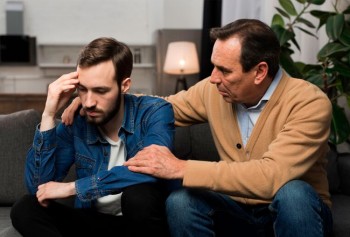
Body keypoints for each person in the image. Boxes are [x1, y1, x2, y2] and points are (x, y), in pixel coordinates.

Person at [62, 19, 333, 237]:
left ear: (260, 72)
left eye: (225, 70)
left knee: (293, 192)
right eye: (213, 67)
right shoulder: (213, 91)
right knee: (181, 201)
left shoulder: (308, 102)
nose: (213, 78)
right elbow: (159, 108)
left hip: (296, 212)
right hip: (238, 210)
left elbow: (271, 176)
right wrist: (96, 100)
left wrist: (181, 167)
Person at [10, 37, 175, 237]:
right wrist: (49, 114)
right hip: (93, 222)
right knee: (25, 207)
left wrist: (74, 188)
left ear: (124, 86)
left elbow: (153, 168)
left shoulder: (155, 111)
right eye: (83, 89)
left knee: (138, 194)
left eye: (100, 91)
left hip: (141, 225)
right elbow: (39, 188)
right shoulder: (77, 121)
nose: (88, 102)